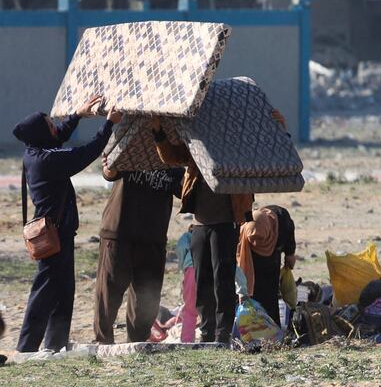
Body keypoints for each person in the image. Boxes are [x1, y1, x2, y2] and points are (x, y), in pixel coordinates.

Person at [14, 96, 120, 353]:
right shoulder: (46, 161)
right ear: (42, 133)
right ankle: (26, 348)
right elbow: (86, 154)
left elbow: (57, 137)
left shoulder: (36, 153)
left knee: (62, 292)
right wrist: (109, 124)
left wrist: (78, 115)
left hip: (59, 233)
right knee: (44, 293)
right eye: (50, 125)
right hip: (54, 235)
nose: (55, 127)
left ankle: (55, 344)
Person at [158, 117, 254, 343]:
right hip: (200, 226)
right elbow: (171, 156)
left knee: (223, 280)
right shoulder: (195, 148)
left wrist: (280, 128)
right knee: (203, 283)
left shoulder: (235, 148)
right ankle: (207, 332)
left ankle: (222, 335)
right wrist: (158, 133)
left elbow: (261, 154)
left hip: (225, 225)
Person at [94, 150, 183, 345]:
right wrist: (110, 162)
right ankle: (103, 342)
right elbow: (109, 173)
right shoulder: (130, 149)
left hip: (153, 237)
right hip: (119, 233)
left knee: (146, 296)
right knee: (109, 292)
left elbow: (185, 190)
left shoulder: (171, 159)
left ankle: (138, 343)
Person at [238, 204, 297, 325]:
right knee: (255, 291)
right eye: (253, 240)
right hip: (252, 258)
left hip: (273, 255)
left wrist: (290, 253)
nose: (257, 243)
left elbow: (290, 237)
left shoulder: (282, 219)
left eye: (260, 240)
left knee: (271, 293)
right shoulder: (246, 224)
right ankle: (256, 329)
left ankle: (272, 330)